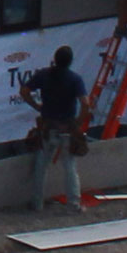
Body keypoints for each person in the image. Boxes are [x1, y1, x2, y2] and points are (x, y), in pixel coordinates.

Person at [31, 44, 87, 211]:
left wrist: (37, 106)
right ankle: (73, 204)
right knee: (69, 167)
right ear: (70, 62)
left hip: (48, 127)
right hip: (66, 129)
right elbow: (86, 104)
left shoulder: (44, 75)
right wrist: (77, 123)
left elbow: (24, 91)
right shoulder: (75, 79)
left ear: (55, 60)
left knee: (41, 166)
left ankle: (37, 204)